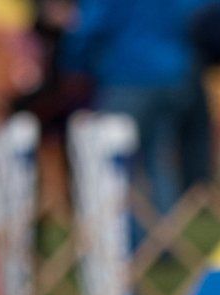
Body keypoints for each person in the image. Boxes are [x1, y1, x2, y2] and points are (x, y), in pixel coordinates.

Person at [59, 0, 207, 217]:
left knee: (117, 165)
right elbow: (195, 16)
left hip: (128, 77)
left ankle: (129, 241)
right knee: (158, 162)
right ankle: (161, 240)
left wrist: (73, 65)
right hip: (175, 76)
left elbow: (88, 28)